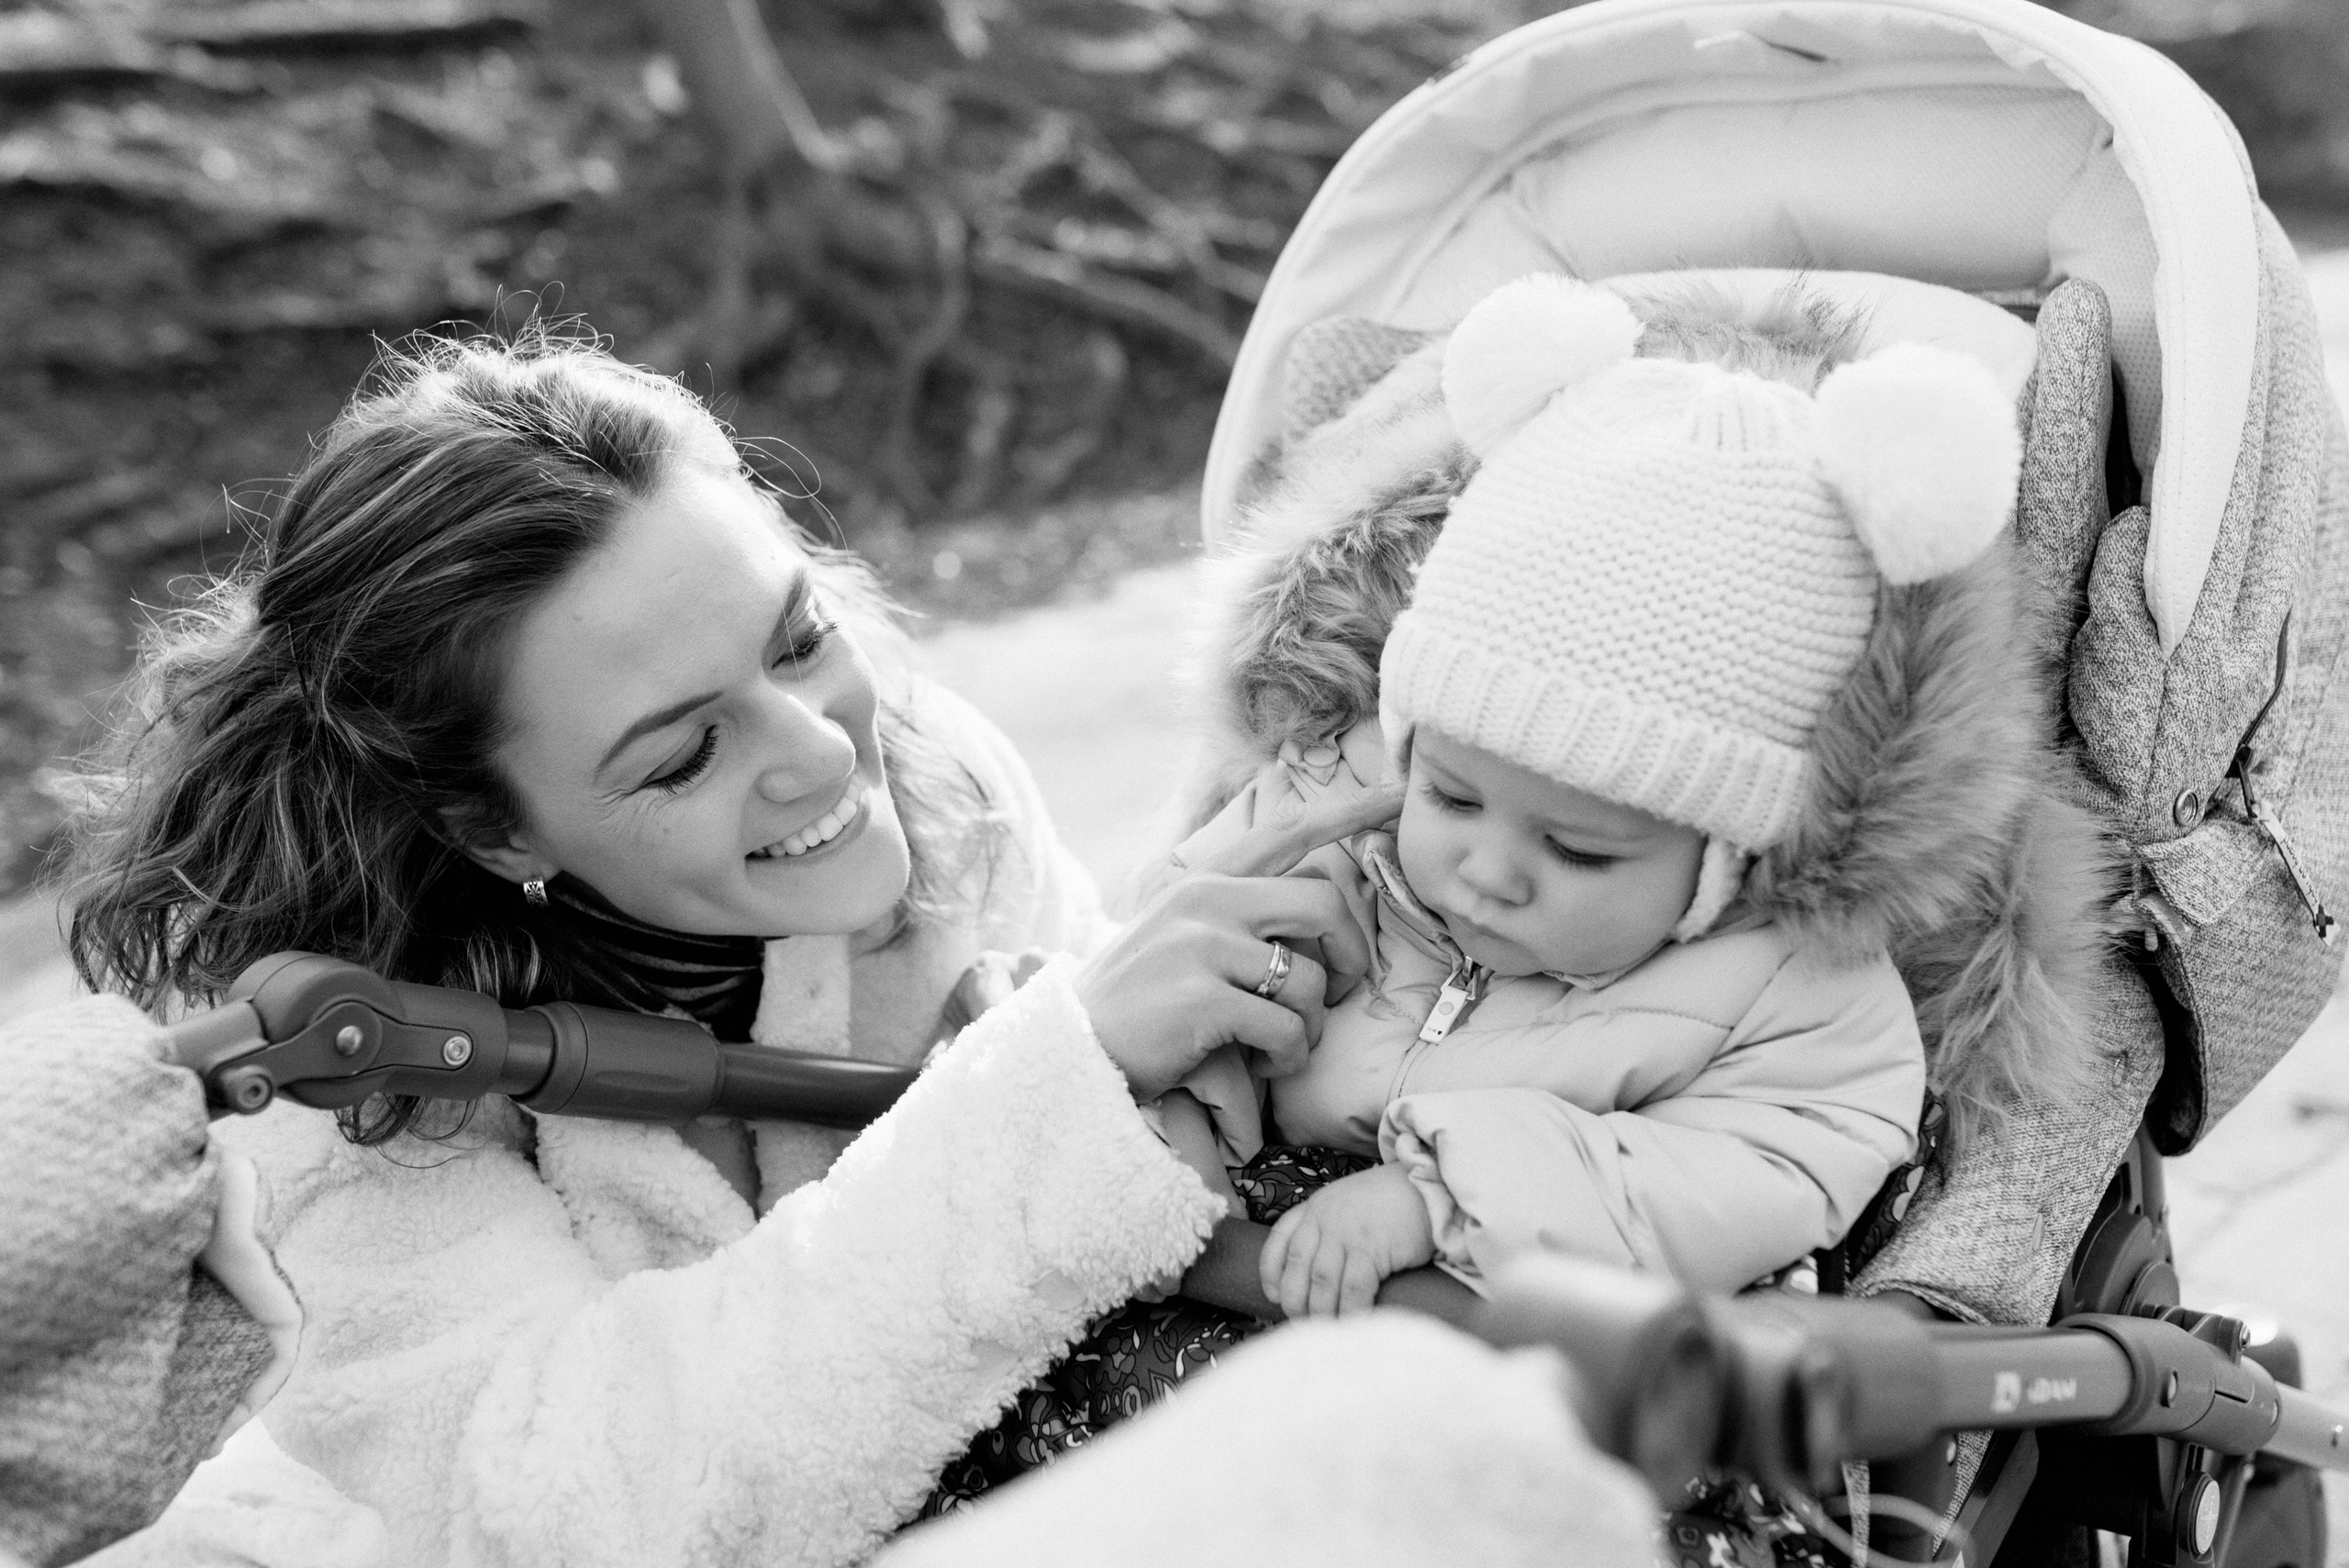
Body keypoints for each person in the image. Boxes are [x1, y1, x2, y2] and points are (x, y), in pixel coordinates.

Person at [53, 329, 1390, 1568]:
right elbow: (572, 1508)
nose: (818, 751)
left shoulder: (941, 786)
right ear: (492, 824)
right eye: (687, 751)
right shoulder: (343, 1085)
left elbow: (1128, 1212)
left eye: (799, 641)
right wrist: (1063, 1084)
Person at [1154, 273, 2065, 1318]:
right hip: (1227, 1297)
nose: (1486, 869)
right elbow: (1181, 980)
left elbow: (1754, 1176)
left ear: (1724, 850)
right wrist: (1176, 1137)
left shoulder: (1791, 997)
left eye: (1579, 851)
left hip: (1538, 1340)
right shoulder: (1331, 842)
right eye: (1449, 796)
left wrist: (1437, 1195)